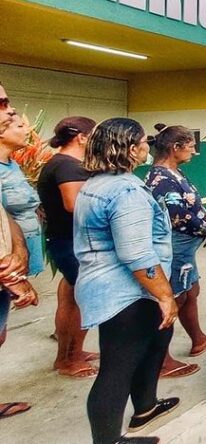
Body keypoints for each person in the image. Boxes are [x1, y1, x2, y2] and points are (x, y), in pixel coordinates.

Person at [74, 118, 179, 444]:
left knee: (152, 343)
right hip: (126, 293)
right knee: (116, 370)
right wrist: (165, 295)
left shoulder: (96, 184)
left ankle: (145, 406)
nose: (148, 147)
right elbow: (137, 254)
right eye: (143, 142)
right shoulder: (126, 190)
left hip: (110, 287)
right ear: (131, 149)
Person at [145, 125, 206, 378]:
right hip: (175, 246)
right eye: (190, 146)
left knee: (191, 291)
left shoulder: (176, 174)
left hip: (187, 246)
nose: (194, 151)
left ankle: (198, 339)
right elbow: (177, 216)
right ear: (175, 148)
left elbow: (194, 203)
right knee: (173, 297)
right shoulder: (161, 179)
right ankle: (161, 360)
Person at [37, 116, 99, 378]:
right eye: (94, 135)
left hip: (65, 242)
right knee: (82, 301)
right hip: (73, 244)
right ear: (81, 137)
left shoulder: (60, 163)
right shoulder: (68, 167)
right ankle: (69, 359)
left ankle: (69, 353)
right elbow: (74, 205)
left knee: (70, 297)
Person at [0, 108, 39, 422]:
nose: (27, 129)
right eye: (19, 126)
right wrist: (12, 274)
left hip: (13, 261)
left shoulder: (11, 164)